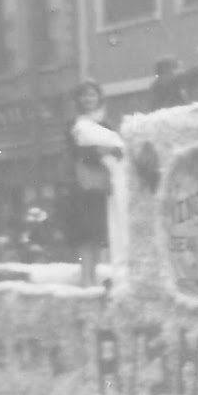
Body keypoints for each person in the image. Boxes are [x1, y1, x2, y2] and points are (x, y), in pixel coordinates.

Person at [67, 80, 125, 286]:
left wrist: (112, 152)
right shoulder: (74, 124)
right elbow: (75, 153)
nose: (88, 99)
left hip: (104, 185)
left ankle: (93, 277)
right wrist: (99, 151)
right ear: (78, 99)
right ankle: (86, 278)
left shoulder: (106, 124)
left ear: (99, 97)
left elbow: (119, 150)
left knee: (99, 234)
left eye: (92, 94)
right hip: (83, 184)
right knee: (86, 234)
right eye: (83, 95)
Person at [147, 46, 198, 111]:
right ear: (172, 68)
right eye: (178, 66)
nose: (182, 68)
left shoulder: (154, 86)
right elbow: (197, 70)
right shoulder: (176, 79)